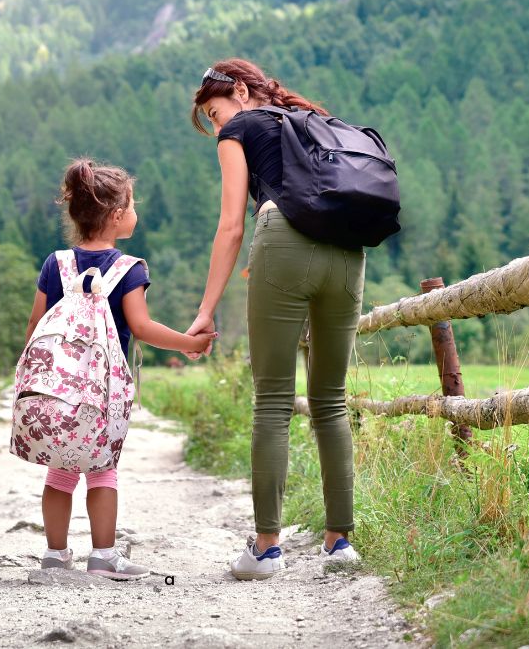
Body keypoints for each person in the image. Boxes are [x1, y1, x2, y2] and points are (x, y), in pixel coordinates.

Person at [187, 59, 364, 580]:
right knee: (331, 399)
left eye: (215, 114)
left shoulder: (241, 129)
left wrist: (205, 309)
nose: (218, 127)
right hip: (348, 252)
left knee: (272, 398)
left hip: (281, 240)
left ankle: (266, 549)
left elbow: (230, 227)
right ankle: (339, 544)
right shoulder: (315, 121)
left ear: (240, 92)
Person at [23, 157, 216, 579]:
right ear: (115, 216)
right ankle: (104, 555)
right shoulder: (129, 269)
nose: (135, 211)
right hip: (103, 393)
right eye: (131, 205)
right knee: (102, 470)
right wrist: (189, 344)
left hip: (58, 389)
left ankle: (55, 555)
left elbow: (36, 326)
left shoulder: (55, 263)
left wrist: (34, 379)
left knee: (60, 470)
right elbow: (142, 327)